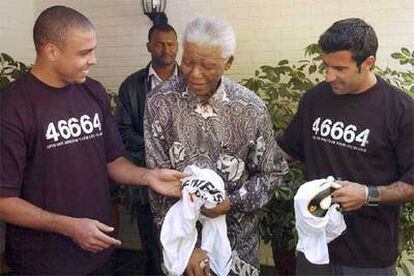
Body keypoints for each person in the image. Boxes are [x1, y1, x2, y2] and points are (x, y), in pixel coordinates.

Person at [0, 6, 184, 275]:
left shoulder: (92, 91)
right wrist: (69, 226)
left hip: (98, 253)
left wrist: (148, 177)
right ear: (51, 51)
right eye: (84, 53)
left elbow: (113, 160)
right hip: (43, 263)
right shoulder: (13, 107)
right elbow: (4, 200)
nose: (93, 60)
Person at [144, 16, 288, 276]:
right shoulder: (160, 102)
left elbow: (272, 173)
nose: (194, 74)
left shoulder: (250, 108)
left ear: (228, 62)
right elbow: (159, 183)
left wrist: (231, 202)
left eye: (208, 65)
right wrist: (188, 247)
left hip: (238, 246)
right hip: (182, 246)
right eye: (187, 62)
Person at [277, 18, 414, 275]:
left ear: (368, 63)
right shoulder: (315, 99)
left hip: (368, 257)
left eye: (340, 68)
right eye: (326, 66)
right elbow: (287, 151)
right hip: (315, 249)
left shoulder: (401, 111)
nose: (329, 76)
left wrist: (367, 194)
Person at [117, 23, 179, 275]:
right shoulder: (132, 86)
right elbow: (123, 130)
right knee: (153, 247)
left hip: (185, 177)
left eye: (171, 43)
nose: (166, 49)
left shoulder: (190, 80)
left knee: (188, 244)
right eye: (159, 43)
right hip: (147, 179)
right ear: (148, 47)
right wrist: (157, 150)